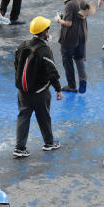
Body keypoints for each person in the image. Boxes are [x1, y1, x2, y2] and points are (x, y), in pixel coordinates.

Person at [14, 17, 64, 157]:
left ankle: (20, 148)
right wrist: (58, 89)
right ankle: (49, 143)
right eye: (47, 30)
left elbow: (16, 64)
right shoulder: (44, 50)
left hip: (22, 91)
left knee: (23, 117)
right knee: (44, 117)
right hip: (40, 92)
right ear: (44, 33)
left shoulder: (23, 45)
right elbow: (52, 72)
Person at [57, 0, 94, 93]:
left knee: (67, 61)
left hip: (69, 38)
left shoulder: (69, 4)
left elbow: (68, 23)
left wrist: (59, 20)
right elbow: (91, 9)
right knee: (79, 59)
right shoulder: (83, 1)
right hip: (82, 36)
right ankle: (83, 80)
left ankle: (71, 86)